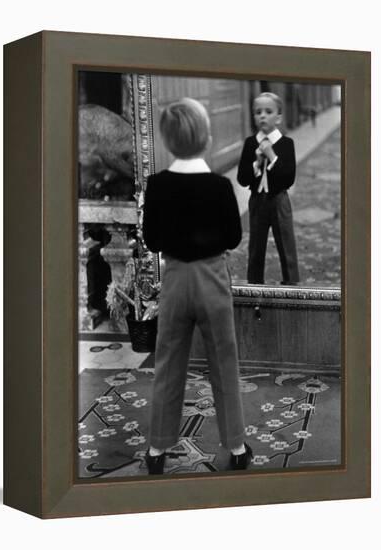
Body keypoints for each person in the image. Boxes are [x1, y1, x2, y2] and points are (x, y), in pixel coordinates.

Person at [142, 97, 252, 475]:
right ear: (207, 138)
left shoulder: (155, 186)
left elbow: (152, 240)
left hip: (174, 281)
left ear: (167, 141)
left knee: (168, 362)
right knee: (224, 361)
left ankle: (156, 449)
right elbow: (235, 237)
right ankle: (236, 446)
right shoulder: (220, 187)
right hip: (212, 279)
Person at [237, 92, 299, 285]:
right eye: (258, 112)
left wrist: (272, 156)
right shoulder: (250, 143)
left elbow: (288, 178)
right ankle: (255, 285)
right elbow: (242, 179)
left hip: (279, 201)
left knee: (286, 245)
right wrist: (255, 163)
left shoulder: (287, 144)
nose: (262, 115)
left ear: (278, 117)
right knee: (255, 247)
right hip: (257, 201)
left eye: (268, 111)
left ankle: (291, 284)